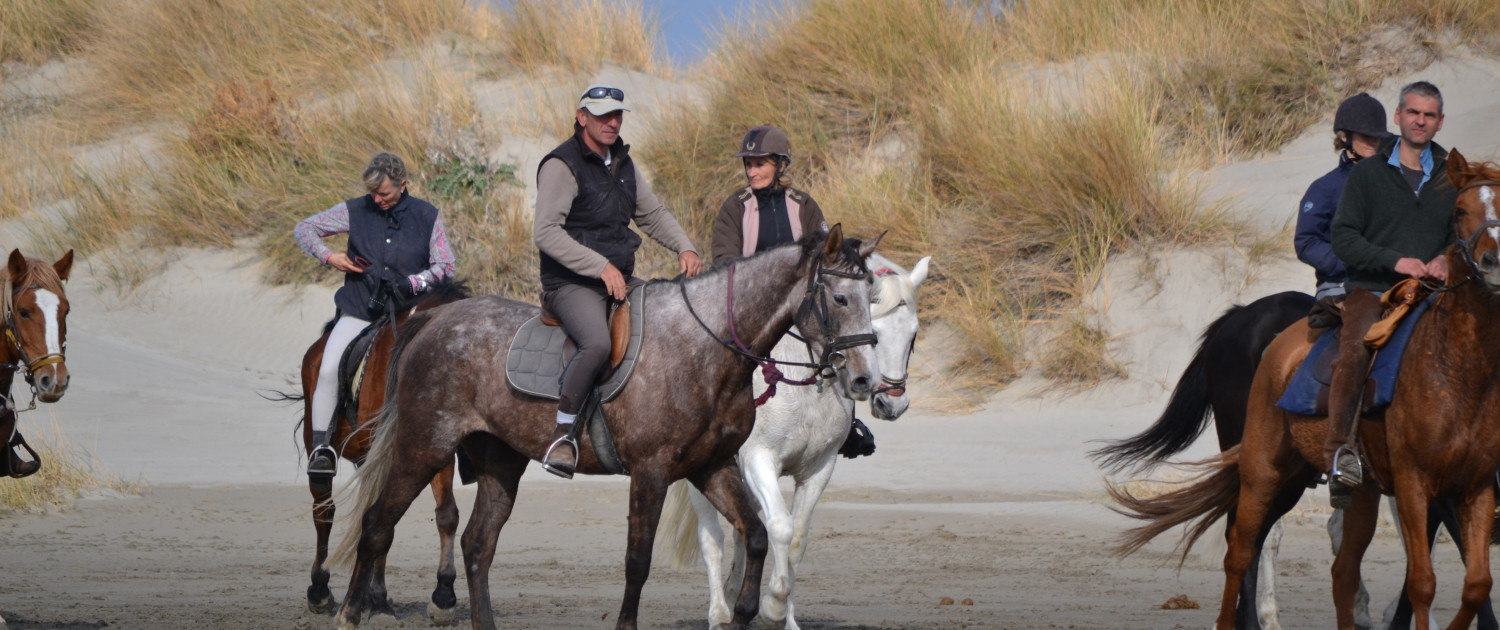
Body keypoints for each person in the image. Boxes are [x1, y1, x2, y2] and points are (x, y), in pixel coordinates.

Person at [535, 86, 702, 478]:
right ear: (582, 117)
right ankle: (563, 434)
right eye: (603, 115)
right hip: (571, 284)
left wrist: (685, 246)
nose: (612, 122)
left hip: (619, 279)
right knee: (597, 343)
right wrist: (600, 267)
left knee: (676, 320)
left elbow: (652, 214)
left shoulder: (623, 163)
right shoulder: (562, 164)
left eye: (618, 115)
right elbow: (546, 232)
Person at [1324, 81, 1457, 502]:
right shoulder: (1367, 174)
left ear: (1440, 122)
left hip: (1435, 292)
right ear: (1398, 116)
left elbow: (1464, 236)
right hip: (1374, 290)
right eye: (1413, 112)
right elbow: (1343, 238)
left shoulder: (1453, 176)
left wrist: (1446, 258)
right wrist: (1395, 261)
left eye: (1429, 115)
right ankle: (1340, 454)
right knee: (1355, 352)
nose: (1420, 121)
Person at [708, 126, 872, 458]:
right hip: (751, 308)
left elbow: (827, 255)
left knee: (840, 339)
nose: (751, 171)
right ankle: (709, 420)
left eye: (760, 164)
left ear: (781, 165)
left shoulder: (804, 205)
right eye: (748, 164)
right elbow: (725, 264)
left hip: (802, 307)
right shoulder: (734, 207)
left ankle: (848, 424)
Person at [294, 152, 455, 477]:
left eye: (384, 193)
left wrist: (414, 282)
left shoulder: (427, 215)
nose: (377, 200)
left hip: (410, 313)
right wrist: (329, 257)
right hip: (360, 309)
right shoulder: (354, 210)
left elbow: (446, 265)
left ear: (402, 184)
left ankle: (462, 446)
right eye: (373, 193)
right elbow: (304, 228)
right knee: (328, 369)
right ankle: (322, 448)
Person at [1296, 93, 1390, 317]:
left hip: (1392, 282)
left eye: (1377, 137)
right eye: (1366, 137)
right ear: (1345, 137)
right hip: (1341, 286)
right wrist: (1350, 262)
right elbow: (1306, 241)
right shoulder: (1324, 188)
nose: (1374, 143)